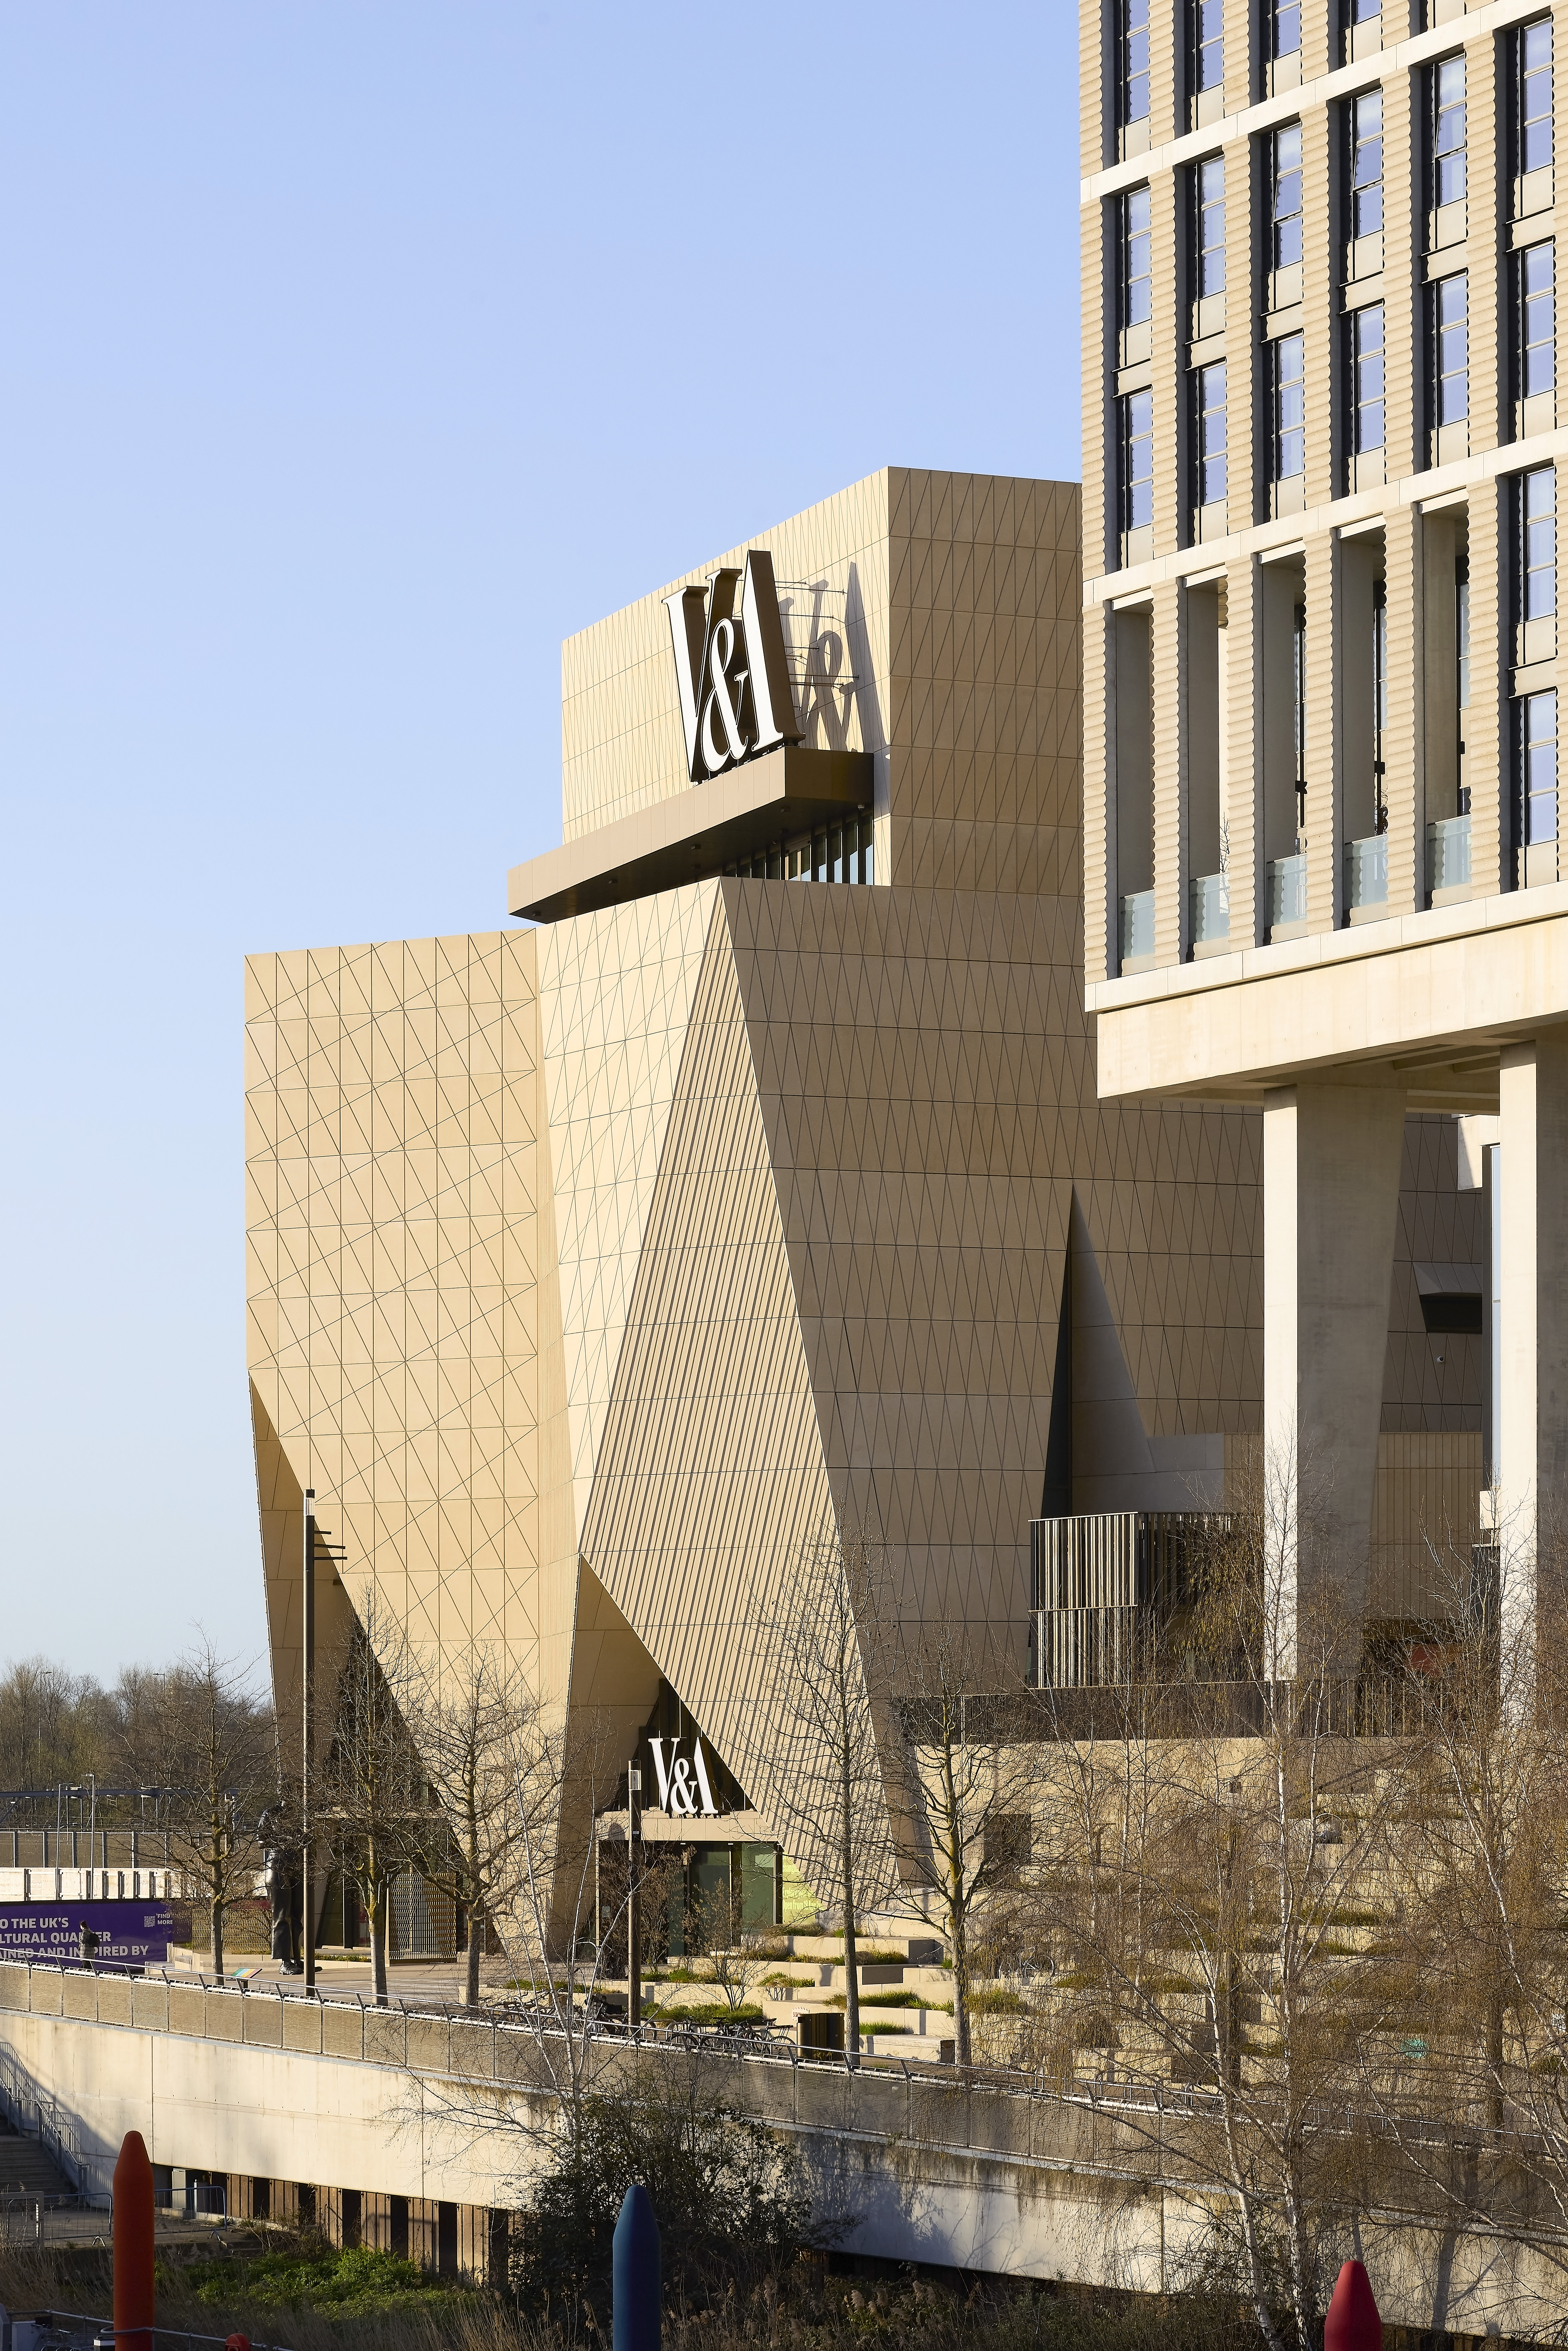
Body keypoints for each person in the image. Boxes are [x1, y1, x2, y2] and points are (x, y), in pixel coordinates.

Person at [257, 1805, 304, 1974]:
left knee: (297, 1916)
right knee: (282, 1916)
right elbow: (261, 1841)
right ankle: (285, 1963)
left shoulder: (300, 1812)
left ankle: (297, 1960)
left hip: (297, 1866)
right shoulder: (270, 1813)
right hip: (278, 1865)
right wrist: (287, 1839)